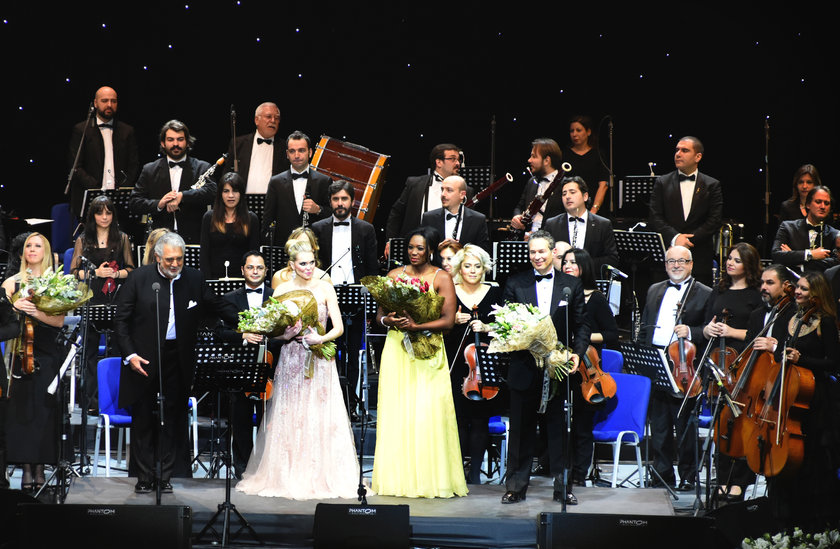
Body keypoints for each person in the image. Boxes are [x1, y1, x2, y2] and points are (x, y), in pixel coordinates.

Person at [113, 231, 238, 494]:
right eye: (169, 259)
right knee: (143, 418)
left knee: (173, 419)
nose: (175, 264)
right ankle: (144, 477)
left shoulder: (194, 279)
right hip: (142, 358)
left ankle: (165, 476)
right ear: (158, 257)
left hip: (177, 358)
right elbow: (121, 321)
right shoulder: (139, 278)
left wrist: (254, 320)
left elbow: (218, 306)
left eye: (179, 259)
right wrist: (130, 355)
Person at [236, 240, 360, 499]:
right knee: (290, 413)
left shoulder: (325, 287)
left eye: (312, 263)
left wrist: (320, 338)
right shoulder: (281, 290)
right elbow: (272, 331)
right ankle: (287, 474)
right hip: (291, 357)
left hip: (320, 359)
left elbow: (339, 328)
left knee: (319, 413)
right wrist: (287, 335)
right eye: (303, 263)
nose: (308, 268)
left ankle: (321, 474)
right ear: (292, 265)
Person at [493, 229, 590, 505]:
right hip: (524, 366)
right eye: (532, 252)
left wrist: (577, 354)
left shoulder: (571, 284)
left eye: (542, 251)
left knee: (559, 430)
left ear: (553, 252)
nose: (537, 256)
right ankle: (515, 487)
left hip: (558, 367)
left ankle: (563, 487)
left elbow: (582, 324)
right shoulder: (516, 283)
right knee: (521, 430)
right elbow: (507, 323)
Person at [372, 226, 467, 498]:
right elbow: (379, 317)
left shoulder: (441, 277)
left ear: (430, 250)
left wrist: (417, 326)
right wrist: (389, 320)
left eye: (420, 248)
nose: (414, 252)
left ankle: (431, 481)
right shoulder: (394, 275)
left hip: (429, 349)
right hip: (397, 349)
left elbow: (448, 322)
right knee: (397, 413)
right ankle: (397, 480)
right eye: (411, 247)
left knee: (428, 414)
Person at [766, 271, 840, 530]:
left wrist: (803, 360)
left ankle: (814, 522)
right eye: (797, 287)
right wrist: (781, 353)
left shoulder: (825, 322)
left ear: (817, 293)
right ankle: (784, 516)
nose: (798, 292)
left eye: (804, 289)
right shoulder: (791, 318)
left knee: (812, 457)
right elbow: (780, 353)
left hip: (815, 399)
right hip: (789, 395)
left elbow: (833, 363)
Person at [638, 245, 713, 491]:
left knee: (684, 426)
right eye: (671, 261)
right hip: (657, 360)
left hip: (685, 365)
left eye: (682, 261)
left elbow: (710, 330)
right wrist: (643, 359)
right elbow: (645, 326)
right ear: (665, 264)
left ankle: (688, 475)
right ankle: (662, 474)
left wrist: (690, 331)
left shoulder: (705, 293)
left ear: (691, 264)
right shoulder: (654, 289)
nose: (676, 265)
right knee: (658, 425)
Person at [2, 233, 68, 493]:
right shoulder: (11, 283)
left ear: (46, 251)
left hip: (47, 352)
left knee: (43, 412)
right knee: (23, 413)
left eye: (38, 245)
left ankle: (41, 468)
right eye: (28, 245)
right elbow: (3, 320)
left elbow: (59, 321)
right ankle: (27, 469)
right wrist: (14, 308)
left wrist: (35, 312)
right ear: (22, 253)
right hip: (20, 353)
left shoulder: (56, 282)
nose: (32, 249)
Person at [311, 180, 379, 421]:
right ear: (330, 202)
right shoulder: (318, 228)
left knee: (352, 354)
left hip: (356, 299)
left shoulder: (366, 229)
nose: (340, 203)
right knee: (328, 352)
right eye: (336, 199)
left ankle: (349, 405)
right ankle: (328, 406)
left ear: (352, 201)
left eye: (344, 199)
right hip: (326, 298)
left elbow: (372, 269)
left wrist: (370, 303)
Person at [700, 242, 763, 502]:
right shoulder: (719, 290)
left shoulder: (756, 294)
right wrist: (708, 331)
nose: (730, 263)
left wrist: (731, 332)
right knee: (721, 424)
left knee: (742, 424)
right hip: (718, 364)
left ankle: (740, 481)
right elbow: (707, 323)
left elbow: (759, 333)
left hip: (744, 364)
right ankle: (722, 478)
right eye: (729, 259)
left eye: (737, 260)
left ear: (748, 265)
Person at [215, 250, 280, 479]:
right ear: (242, 270)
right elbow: (220, 332)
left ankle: (265, 470)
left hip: (269, 368)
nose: (255, 271)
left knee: (268, 422)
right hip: (240, 368)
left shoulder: (276, 296)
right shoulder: (229, 298)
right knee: (240, 421)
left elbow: (284, 332)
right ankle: (242, 470)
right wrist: (243, 336)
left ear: (266, 271)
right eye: (250, 267)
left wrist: (268, 339)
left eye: (259, 267)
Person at [442, 244, 504, 484]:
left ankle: (476, 472)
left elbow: (507, 326)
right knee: (458, 418)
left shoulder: (494, 292)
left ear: (484, 268)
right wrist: (452, 319)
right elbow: (437, 325)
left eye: (477, 266)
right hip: (456, 362)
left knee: (480, 418)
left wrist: (487, 327)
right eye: (467, 266)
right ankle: (458, 471)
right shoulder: (450, 290)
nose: (472, 270)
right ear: (460, 268)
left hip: (484, 364)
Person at [69, 195, 135, 412]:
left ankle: (116, 401)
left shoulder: (122, 238)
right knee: (89, 353)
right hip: (91, 298)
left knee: (117, 350)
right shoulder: (83, 240)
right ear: (93, 215)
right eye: (100, 213)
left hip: (116, 299)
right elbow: (74, 272)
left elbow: (131, 270)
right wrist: (95, 273)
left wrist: (116, 274)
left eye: (108, 212)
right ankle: (91, 402)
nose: (104, 217)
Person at [558, 247, 618, 486]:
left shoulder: (596, 298)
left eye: (573, 262)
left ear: (584, 266)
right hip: (562, 366)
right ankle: (559, 469)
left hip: (587, 369)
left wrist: (582, 338)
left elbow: (611, 334)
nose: (568, 266)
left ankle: (579, 474)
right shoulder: (560, 294)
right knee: (560, 423)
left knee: (582, 425)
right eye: (565, 262)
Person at [648, 136, 722, 287]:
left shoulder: (712, 184)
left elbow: (714, 220)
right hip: (668, 259)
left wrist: (688, 241)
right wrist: (675, 238)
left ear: (698, 157)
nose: (678, 154)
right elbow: (655, 217)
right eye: (677, 150)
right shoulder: (662, 182)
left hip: (699, 259)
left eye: (684, 150)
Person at [129, 119, 216, 244]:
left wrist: (182, 196)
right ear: (163, 143)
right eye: (170, 140)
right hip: (160, 239)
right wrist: (159, 204)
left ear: (187, 142)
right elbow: (134, 202)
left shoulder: (202, 167)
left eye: (180, 139)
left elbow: (212, 193)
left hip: (193, 237)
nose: (176, 144)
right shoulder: (149, 169)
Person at [67, 85, 139, 218]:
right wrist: (96, 188)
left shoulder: (127, 131)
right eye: (104, 101)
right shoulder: (82, 130)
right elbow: (76, 166)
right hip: (90, 196)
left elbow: (133, 165)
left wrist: (123, 188)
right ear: (95, 103)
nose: (109, 105)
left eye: (113, 101)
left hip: (119, 197)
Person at [385, 143, 463, 253]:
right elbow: (396, 213)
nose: (458, 163)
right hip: (416, 249)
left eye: (458, 160)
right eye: (453, 159)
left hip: (449, 251)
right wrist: (390, 241)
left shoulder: (464, 190)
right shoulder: (415, 184)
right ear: (439, 162)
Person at [262, 130, 332, 246]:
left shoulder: (324, 181)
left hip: (314, 246)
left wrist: (318, 209)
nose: (297, 155)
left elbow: (333, 214)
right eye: (292, 151)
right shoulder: (276, 182)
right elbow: (267, 219)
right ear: (287, 154)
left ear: (310, 152)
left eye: (301, 150)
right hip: (284, 245)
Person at [543, 176, 619, 274]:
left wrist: (583, 266)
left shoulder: (603, 224)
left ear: (585, 196)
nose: (567, 196)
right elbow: (546, 255)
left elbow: (612, 259)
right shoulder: (552, 224)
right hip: (561, 280)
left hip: (590, 279)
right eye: (564, 194)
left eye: (572, 192)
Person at [199, 172, 260, 280]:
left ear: (241, 194)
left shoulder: (251, 219)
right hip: (214, 278)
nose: (231, 195)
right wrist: (207, 282)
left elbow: (254, 255)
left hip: (242, 279)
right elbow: (204, 255)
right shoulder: (209, 218)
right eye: (226, 191)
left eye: (235, 191)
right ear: (220, 194)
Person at [772, 185, 839, 273]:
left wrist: (794, 259)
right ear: (808, 205)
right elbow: (776, 255)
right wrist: (810, 254)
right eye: (818, 202)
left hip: (822, 281)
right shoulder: (788, 227)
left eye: (826, 203)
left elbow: (836, 263)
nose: (823, 206)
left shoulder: (835, 234)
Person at [224, 102, 285, 194]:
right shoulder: (238, 143)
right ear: (257, 120)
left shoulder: (285, 147)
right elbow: (226, 176)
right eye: (268, 116)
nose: (273, 120)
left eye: (277, 118)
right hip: (243, 201)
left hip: (273, 201)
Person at [421, 175, 491, 254]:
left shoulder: (478, 220)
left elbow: (483, 254)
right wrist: (436, 248)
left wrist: (460, 250)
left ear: (462, 194)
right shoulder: (429, 218)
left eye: (449, 190)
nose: (443, 194)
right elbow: (423, 250)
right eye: (442, 189)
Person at [511, 139, 566, 236]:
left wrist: (537, 235)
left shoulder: (564, 184)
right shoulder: (532, 182)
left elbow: (564, 219)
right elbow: (519, 207)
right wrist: (517, 217)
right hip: (527, 238)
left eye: (534, 156)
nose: (529, 160)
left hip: (551, 239)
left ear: (547, 160)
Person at [563, 115, 610, 218]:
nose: (574, 134)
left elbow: (603, 185)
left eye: (578, 130)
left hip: (593, 209)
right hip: (569, 209)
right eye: (572, 131)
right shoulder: (565, 154)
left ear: (588, 132)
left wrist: (594, 210)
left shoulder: (598, 154)